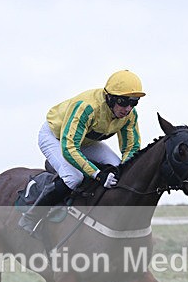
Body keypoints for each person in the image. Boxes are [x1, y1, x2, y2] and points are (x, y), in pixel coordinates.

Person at [19, 70, 145, 234]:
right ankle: (31, 217)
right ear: (110, 97)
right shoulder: (87, 107)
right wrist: (98, 174)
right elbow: (69, 148)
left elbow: (131, 149)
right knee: (74, 177)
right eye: (123, 102)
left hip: (87, 141)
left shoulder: (130, 115)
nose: (127, 108)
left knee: (119, 170)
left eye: (133, 102)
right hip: (56, 138)